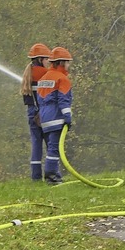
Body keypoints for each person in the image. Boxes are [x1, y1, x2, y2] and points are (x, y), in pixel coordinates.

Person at [36, 46, 73, 185]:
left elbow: (40, 99)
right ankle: (51, 177)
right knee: (54, 148)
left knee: (51, 146)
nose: (69, 66)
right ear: (61, 62)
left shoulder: (43, 78)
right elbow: (63, 100)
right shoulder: (62, 79)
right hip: (56, 118)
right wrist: (68, 117)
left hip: (45, 118)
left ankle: (55, 174)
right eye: (68, 62)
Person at [20, 43, 51, 181]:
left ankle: (36, 177)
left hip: (32, 113)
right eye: (46, 59)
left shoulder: (28, 73)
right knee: (51, 144)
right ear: (40, 59)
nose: (49, 63)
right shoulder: (44, 73)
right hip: (44, 112)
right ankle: (52, 174)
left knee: (36, 144)